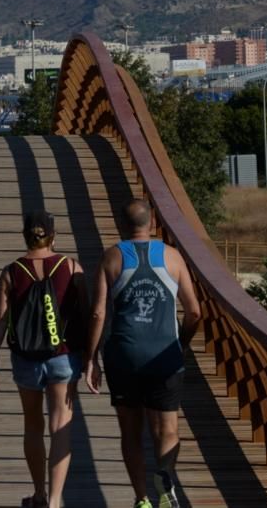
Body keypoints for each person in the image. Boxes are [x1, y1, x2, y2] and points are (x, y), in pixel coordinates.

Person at [85, 199, 201, 508]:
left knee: (131, 431)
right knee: (168, 428)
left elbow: (98, 314)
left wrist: (90, 359)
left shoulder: (111, 257)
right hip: (165, 355)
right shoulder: (172, 257)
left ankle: (142, 499)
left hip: (123, 357)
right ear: (151, 223)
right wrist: (183, 343)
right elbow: (194, 312)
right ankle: (164, 478)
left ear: (123, 226)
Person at [0, 210, 86, 508]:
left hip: (25, 358)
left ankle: (39, 494)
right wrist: (92, 356)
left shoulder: (11, 271)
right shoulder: (71, 267)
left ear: (25, 235)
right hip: (64, 357)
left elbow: (1, 319)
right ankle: (55, 501)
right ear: (53, 236)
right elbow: (88, 313)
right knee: (60, 427)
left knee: (33, 425)